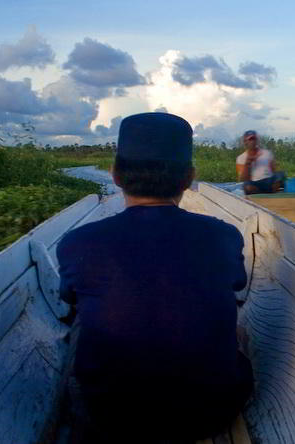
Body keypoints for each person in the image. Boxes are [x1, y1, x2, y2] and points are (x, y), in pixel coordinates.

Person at [56, 112, 254, 442]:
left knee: (80, 327)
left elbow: (70, 300)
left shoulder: (79, 242)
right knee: (238, 333)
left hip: (111, 416)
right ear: (189, 178)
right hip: (210, 413)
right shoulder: (223, 235)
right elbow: (236, 285)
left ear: (116, 175)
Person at [235, 130, 285, 194]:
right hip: (255, 184)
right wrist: (248, 163)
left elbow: (274, 171)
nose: (253, 141)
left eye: (254, 139)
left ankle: (271, 192)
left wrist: (276, 181)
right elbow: (242, 179)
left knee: (281, 174)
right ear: (245, 142)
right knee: (247, 186)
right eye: (250, 139)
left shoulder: (267, 153)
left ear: (257, 141)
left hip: (268, 181)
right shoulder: (240, 158)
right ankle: (262, 195)